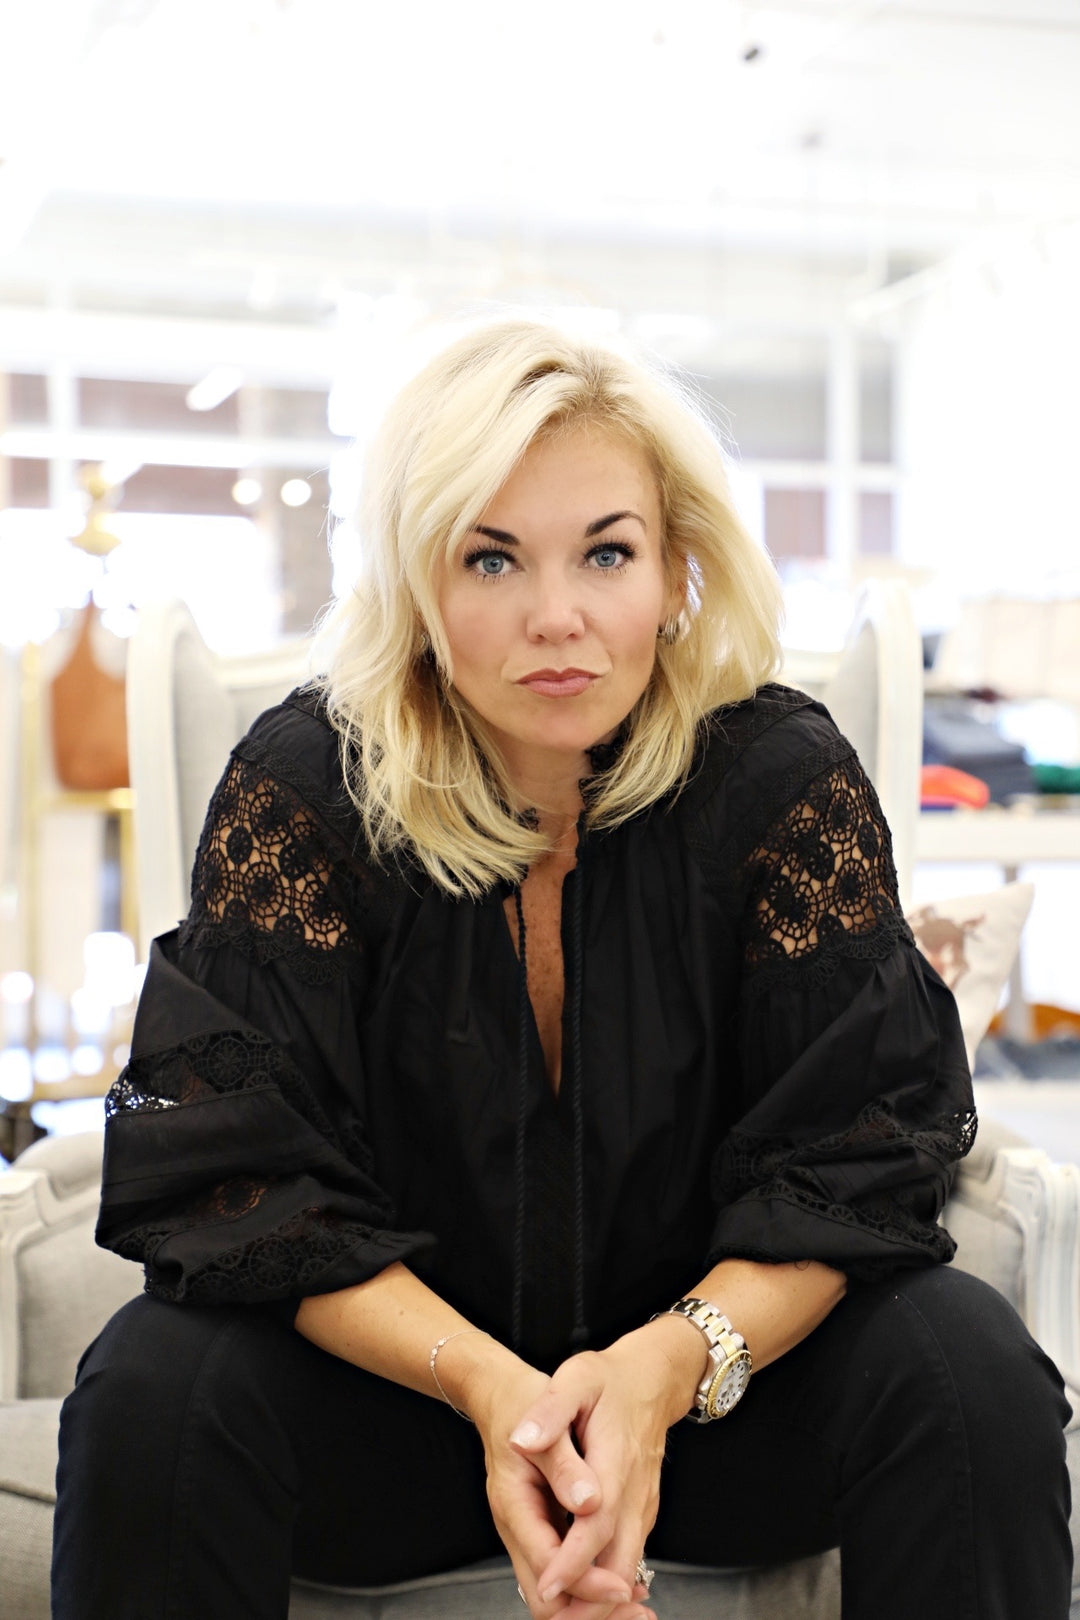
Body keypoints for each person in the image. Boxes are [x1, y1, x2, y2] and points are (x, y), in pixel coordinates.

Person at [53, 319, 1071, 1620]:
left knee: (968, 1363)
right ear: (420, 583)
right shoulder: (304, 788)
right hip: (397, 1413)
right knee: (153, 1386)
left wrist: (660, 1371)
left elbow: (854, 1160)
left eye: (607, 552)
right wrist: (496, 1392)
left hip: (717, 1408)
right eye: (491, 557)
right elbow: (241, 1181)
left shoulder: (782, 783)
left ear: (676, 568)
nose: (558, 618)